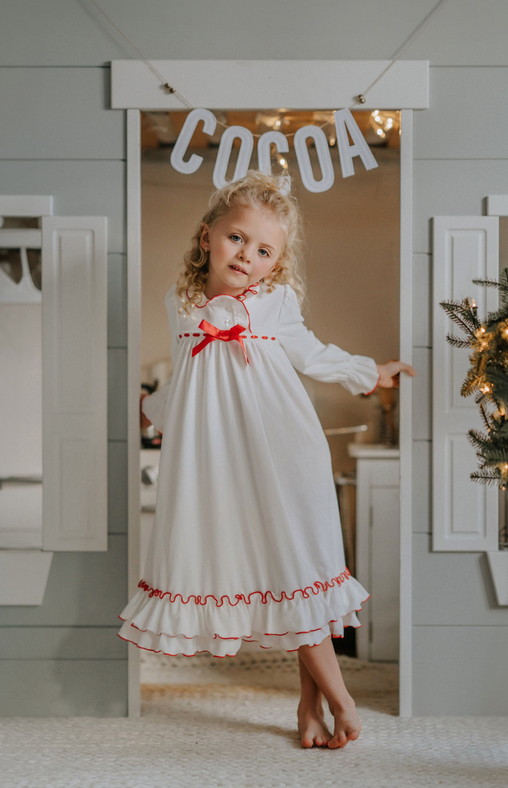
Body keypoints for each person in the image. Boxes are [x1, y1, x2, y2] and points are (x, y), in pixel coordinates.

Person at [118, 171, 415, 749]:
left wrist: (367, 372)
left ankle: (329, 704)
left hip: (285, 451)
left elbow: (313, 353)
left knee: (300, 573)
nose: (246, 256)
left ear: (275, 265)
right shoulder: (180, 303)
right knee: (285, 577)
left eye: (263, 251)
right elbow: (190, 381)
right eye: (236, 239)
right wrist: (150, 407)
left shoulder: (276, 302)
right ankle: (324, 706)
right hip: (224, 462)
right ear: (207, 237)